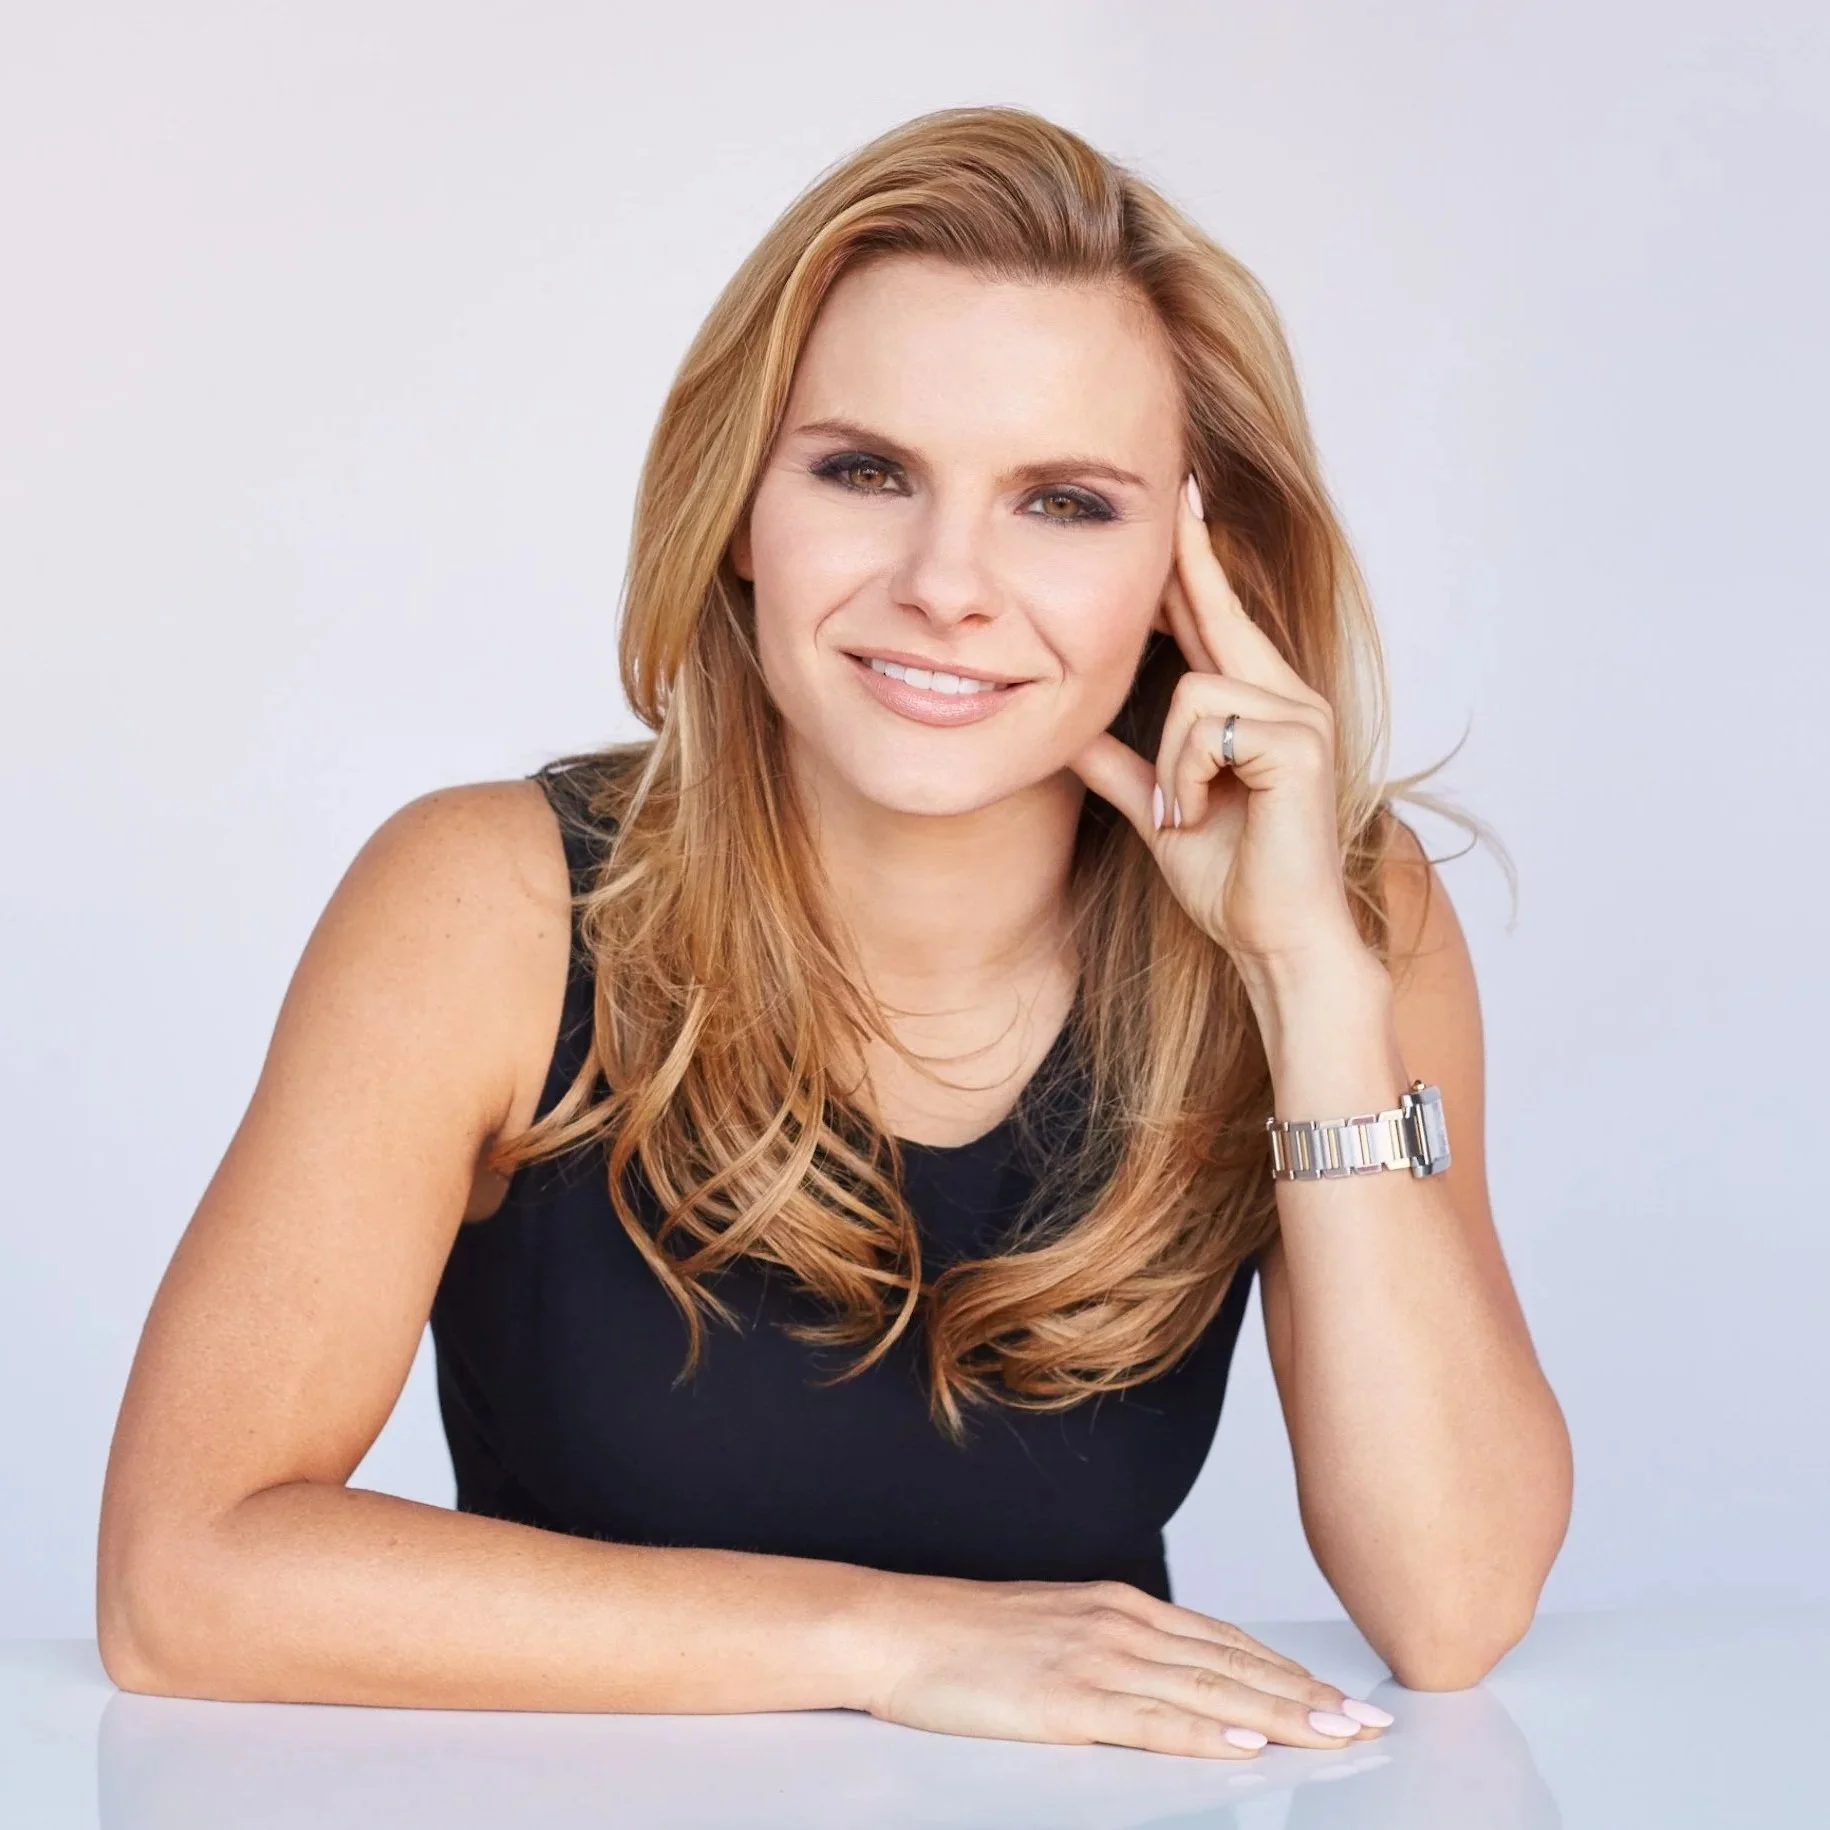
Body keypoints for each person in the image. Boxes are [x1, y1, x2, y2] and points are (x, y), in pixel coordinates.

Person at [96, 104, 1572, 1760]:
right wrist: (892, 1637)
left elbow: (1452, 1605)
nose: (946, 581)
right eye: (865, 470)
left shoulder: (1341, 921)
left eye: (1063, 500)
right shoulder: (487, 903)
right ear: (739, 502)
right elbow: (185, 1576)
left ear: (1186, 559)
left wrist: (1306, 983)